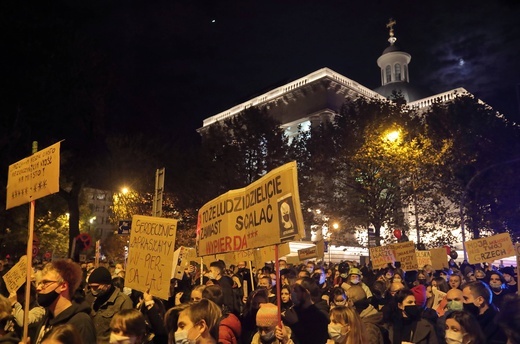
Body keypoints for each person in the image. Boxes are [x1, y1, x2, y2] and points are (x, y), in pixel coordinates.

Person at [34, 260, 96, 344]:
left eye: (45, 282)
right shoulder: (48, 319)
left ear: (63, 286)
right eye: (39, 283)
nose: (38, 288)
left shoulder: (81, 323)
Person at [88, 266, 133, 343]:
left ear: (107, 285)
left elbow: (127, 331)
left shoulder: (123, 301)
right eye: (90, 287)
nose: (93, 290)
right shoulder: (92, 298)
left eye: (96, 287)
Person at [283, 277, 329, 344]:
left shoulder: (320, 315)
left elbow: (314, 340)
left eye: (296, 290)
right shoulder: (295, 310)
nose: (292, 293)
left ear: (306, 293)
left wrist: (296, 324)